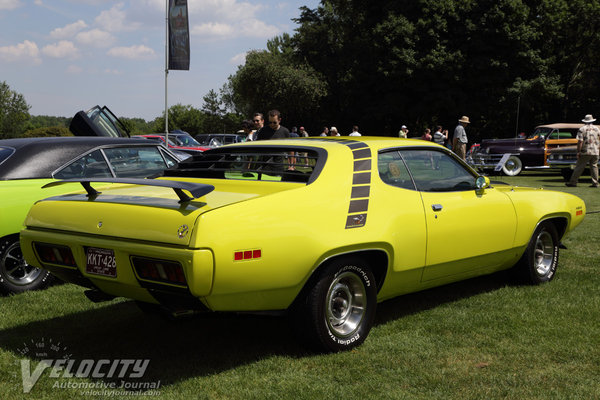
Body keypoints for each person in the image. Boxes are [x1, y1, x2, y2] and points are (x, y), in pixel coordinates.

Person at [566, 114, 600, 187]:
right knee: (594, 167)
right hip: (595, 151)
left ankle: (573, 182)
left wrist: (578, 151)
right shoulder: (597, 128)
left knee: (579, 167)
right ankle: (595, 183)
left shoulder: (582, 129)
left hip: (585, 151)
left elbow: (580, 141)